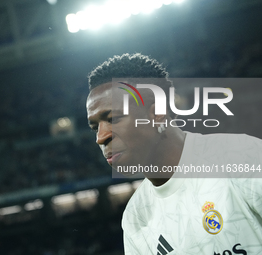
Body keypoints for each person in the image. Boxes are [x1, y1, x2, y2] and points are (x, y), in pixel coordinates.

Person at [86, 53, 262, 254]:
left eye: (113, 118)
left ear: (157, 113)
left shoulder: (240, 157)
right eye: (94, 128)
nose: (100, 137)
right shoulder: (136, 218)